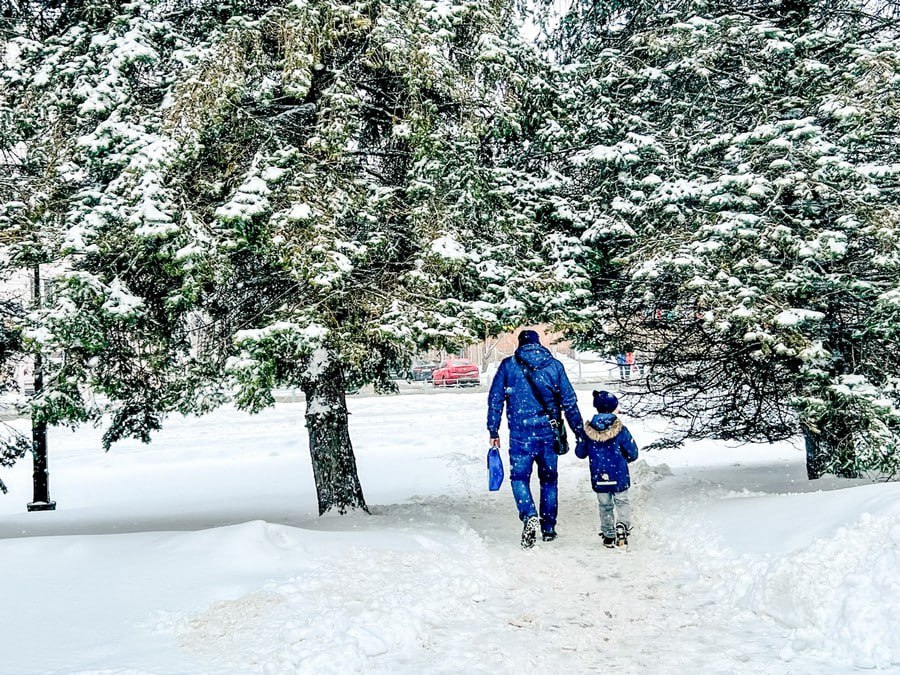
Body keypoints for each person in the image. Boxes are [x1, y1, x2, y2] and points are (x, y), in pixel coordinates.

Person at [487, 330, 584, 549]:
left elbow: (495, 400)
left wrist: (493, 430)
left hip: (520, 435)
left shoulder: (508, 366)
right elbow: (569, 402)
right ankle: (548, 527)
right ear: (539, 345)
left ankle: (529, 514)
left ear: (519, 345)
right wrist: (579, 432)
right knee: (549, 480)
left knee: (519, 478)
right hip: (549, 433)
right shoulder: (554, 366)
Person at [575, 390, 639, 548]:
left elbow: (580, 453)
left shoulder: (588, 431)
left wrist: (582, 441)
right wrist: (625, 459)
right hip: (619, 474)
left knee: (605, 505)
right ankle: (622, 527)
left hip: (599, 475)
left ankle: (608, 535)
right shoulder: (621, 430)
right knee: (622, 501)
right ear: (613, 408)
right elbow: (633, 452)